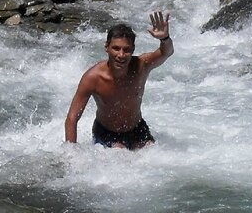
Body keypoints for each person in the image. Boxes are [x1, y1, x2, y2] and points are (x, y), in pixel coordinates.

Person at [65, 11, 173, 149]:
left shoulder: (142, 65)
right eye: (116, 48)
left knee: (155, 157)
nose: (121, 55)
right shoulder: (93, 77)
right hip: (106, 132)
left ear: (133, 50)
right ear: (107, 48)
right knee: (119, 155)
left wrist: (165, 38)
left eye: (126, 50)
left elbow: (166, 52)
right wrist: (72, 153)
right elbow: (72, 118)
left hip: (137, 128)